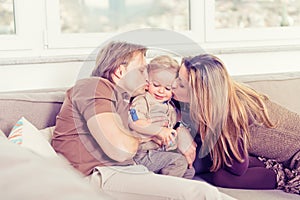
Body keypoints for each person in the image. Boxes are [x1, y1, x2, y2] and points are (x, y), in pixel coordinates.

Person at [51, 41, 234, 200]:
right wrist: (148, 134)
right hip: (99, 175)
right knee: (201, 193)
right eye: (141, 70)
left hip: (124, 172)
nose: (147, 78)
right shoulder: (94, 86)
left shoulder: (122, 101)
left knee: (196, 187)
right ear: (120, 72)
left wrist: (178, 130)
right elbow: (120, 149)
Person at [172, 53, 300, 194]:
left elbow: (237, 168)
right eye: (177, 77)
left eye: (182, 85)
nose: (173, 85)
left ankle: (281, 174)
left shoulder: (231, 113)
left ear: (201, 93)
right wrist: (181, 128)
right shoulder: (217, 97)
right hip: (263, 156)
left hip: (297, 158)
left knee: (221, 177)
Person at [128, 55, 195, 179]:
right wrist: (158, 131)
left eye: (167, 88)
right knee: (179, 162)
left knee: (189, 171)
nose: (161, 91)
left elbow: (175, 126)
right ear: (147, 83)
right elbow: (135, 121)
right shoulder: (142, 100)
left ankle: (176, 192)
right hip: (144, 154)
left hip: (162, 152)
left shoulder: (170, 106)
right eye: (156, 85)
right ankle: (165, 190)